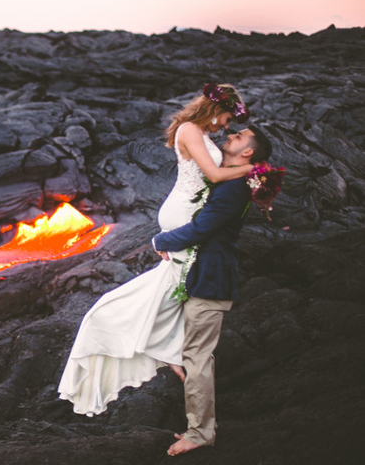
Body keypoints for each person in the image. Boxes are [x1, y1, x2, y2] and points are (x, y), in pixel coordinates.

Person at [57, 83, 252, 416]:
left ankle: (165, 350)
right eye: (226, 117)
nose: (226, 126)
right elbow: (215, 174)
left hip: (189, 211)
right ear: (215, 109)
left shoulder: (199, 131)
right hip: (182, 214)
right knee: (179, 286)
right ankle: (159, 349)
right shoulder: (191, 130)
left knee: (175, 287)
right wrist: (257, 169)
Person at [153, 124, 272, 455]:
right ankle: (172, 358)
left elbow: (203, 228)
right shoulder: (229, 178)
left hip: (211, 279)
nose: (230, 136)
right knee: (168, 334)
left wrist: (159, 240)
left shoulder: (235, 188)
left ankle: (201, 432)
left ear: (247, 152)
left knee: (199, 358)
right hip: (198, 274)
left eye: (238, 137)